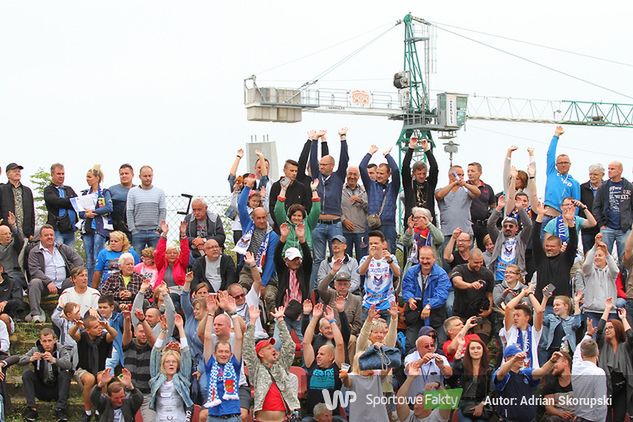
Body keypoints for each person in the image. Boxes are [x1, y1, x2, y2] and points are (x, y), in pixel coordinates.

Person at [243, 305, 300, 422]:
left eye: (273, 347)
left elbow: (289, 346)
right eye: (269, 348)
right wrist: (252, 322)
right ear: (261, 354)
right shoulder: (256, 369)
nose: (274, 349)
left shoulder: (281, 366)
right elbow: (248, 348)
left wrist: (280, 321)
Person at [309, 128, 349, 289]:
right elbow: (312, 161)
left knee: (337, 257)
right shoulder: (316, 177)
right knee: (318, 259)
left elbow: (344, 159)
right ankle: (316, 290)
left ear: (332, 166)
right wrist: (314, 141)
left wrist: (343, 138)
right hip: (318, 224)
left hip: (335, 224)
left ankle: (336, 288)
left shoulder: (338, 176)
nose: (321, 167)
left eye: (324, 165)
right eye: (320, 164)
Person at [27, 224, 84, 323]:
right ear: (40, 237)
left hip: (63, 283)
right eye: (46, 235)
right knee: (34, 282)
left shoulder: (62, 247)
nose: (49, 237)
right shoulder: (34, 252)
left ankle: (75, 313)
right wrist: (48, 282)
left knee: (74, 282)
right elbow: (35, 270)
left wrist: (75, 275)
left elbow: (78, 260)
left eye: (51, 235)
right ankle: (36, 314)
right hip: (44, 285)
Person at [492, 345, 561, 422]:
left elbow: (542, 371)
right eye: (517, 356)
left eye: (522, 356)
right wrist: (514, 360)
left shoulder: (525, 373)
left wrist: (552, 361)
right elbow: (501, 374)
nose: (521, 359)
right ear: (507, 358)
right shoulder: (503, 373)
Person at [202, 296, 244, 421]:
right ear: (214, 354)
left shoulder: (234, 366)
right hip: (214, 416)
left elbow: (239, 337)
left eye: (226, 352)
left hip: (232, 416)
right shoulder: (210, 365)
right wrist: (210, 313)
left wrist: (233, 313)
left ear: (231, 354)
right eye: (220, 351)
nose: (223, 354)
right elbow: (207, 337)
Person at [68, 315, 117, 421]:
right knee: (90, 379)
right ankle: (88, 411)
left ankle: (100, 410)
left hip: (100, 369)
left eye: (99, 326)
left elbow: (114, 334)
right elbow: (71, 333)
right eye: (95, 327)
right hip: (83, 369)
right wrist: (76, 326)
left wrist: (107, 327)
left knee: (102, 378)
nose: (99, 328)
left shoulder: (104, 336)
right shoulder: (83, 336)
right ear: (88, 330)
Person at [401, 246, 450, 350]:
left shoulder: (441, 274)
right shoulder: (411, 272)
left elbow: (441, 295)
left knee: (440, 345)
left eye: (428, 258)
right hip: (415, 316)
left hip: (435, 316)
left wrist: (429, 306)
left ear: (434, 259)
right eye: (422, 258)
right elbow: (406, 289)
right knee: (410, 345)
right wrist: (410, 299)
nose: (425, 261)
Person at [19, 328, 72, 422]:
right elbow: (20, 360)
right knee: (27, 374)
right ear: (40, 341)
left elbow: (69, 364)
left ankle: (61, 409)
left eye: (50, 341)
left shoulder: (61, 349)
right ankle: (32, 409)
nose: (47, 344)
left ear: (55, 340)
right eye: (44, 341)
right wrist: (31, 358)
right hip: (41, 388)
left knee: (65, 374)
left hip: (57, 389)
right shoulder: (35, 349)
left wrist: (55, 360)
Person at [234, 178, 279, 290]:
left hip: (265, 271)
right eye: (258, 218)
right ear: (253, 218)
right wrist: (247, 187)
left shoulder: (273, 236)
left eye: (264, 217)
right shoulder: (248, 225)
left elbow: (271, 259)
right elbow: (241, 206)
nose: (262, 220)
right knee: (242, 291)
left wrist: (262, 283)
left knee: (269, 297)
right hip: (247, 269)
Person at [532, 201, 578, 305]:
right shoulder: (541, 258)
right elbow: (535, 239)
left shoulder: (566, 259)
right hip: (541, 305)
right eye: (547, 246)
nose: (549, 249)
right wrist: (540, 216)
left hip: (561, 305)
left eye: (552, 247)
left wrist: (571, 223)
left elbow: (573, 243)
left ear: (560, 247)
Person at [149, 314, 193, 420]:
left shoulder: (183, 378)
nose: (171, 364)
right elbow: (155, 353)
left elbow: (186, 354)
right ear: (163, 364)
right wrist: (163, 331)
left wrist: (181, 328)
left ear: (178, 364)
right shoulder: (157, 378)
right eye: (168, 362)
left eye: (174, 362)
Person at [303, 304, 345, 416]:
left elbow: (340, 344)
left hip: (333, 416)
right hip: (311, 416)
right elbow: (306, 343)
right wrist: (315, 318)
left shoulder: (336, 367)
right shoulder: (312, 365)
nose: (318, 356)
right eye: (318, 353)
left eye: (322, 354)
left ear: (331, 357)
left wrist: (332, 321)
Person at [595, 299, 633, 421]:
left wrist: (623, 318)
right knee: (605, 419)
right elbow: (599, 330)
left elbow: (631, 337)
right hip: (605, 387)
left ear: (617, 329)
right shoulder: (602, 345)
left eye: (610, 328)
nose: (607, 330)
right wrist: (607, 309)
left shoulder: (625, 346)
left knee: (618, 419)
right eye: (607, 328)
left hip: (621, 388)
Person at [359, 144, 401, 252]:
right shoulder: (371, 185)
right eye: (377, 173)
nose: (378, 176)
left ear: (388, 175)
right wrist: (370, 153)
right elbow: (362, 167)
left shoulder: (393, 187)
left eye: (381, 173)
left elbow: (396, 170)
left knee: (389, 253)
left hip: (388, 226)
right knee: (371, 254)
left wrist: (387, 155)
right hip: (373, 226)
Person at [273, 222, 312, 336]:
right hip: (284, 314)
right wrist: (283, 238)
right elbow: (276, 256)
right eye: (293, 259)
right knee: (278, 344)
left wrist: (302, 239)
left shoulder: (304, 271)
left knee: (306, 343)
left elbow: (308, 259)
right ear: (286, 261)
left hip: (302, 314)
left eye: (298, 259)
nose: (296, 261)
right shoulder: (282, 271)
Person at [575, 233, 620, 327]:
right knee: (592, 338)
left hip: (609, 312)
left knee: (609, 340)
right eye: (595, 256)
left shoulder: (610, 272)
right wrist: (595, 246)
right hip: (591, 311)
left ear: (606, 258)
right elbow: (586, 265)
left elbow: (615, 270)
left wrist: (607, 253)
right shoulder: (589, 272)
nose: (597, 257)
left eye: (600, 255)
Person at [449, 249, 494, 343]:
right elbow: (457, 282)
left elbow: (489, 293)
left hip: (479, 316)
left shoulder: (487, 274)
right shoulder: (460, 269)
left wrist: (489, 310)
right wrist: (470, 285)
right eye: (476, 262)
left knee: (479, 344)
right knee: (460, 344)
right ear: (468, 259)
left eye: (481, 262)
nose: (478, 265)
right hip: (461, 315)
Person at [78, 165, 114, 283]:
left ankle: (100, 284)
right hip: (87, 228)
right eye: (86, 177)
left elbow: (109, 207)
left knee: (97, 256)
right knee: (89, 258)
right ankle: (88, 284)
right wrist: (86, 214)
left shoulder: (104, 192)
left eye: (90, 177)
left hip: (100, 228)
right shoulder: (84, 194)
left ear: (97, 178)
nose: (87, 179)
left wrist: (95, 211)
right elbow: (80, 212)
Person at [542, 126, 581, 232]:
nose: (563, 165)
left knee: (563, 246)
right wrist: (556, 136)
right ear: (556, 164)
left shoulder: (574, 183)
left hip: (563, 218)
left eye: (565, 162)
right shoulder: (552, 172)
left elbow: (576, 205)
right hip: (548, 215)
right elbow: (550, 154)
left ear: (570, 164)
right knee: (544, 246)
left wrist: (573, 222)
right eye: (560, 163)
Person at [593, 160, 633, 262]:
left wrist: (630, 224)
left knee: (625, 259)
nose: (609, 171)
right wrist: (601, 224)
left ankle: (623, 278)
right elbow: (596, 207)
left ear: (620, 171)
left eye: (612, 169)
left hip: (624, 229)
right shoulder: (603, 186)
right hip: (607, 227)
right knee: (604, 257)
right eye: (609, 169)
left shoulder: (629, 186)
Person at [122, 301, 155, 421]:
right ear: (135, 333)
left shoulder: (153, 347)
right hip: (128, 392)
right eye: (140, 332)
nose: (143, 335)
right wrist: (127, 320)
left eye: (145, 332)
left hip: (147, 394)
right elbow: (126, 334)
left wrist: (142, 321)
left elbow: (151, 338)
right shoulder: (129, 345)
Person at [486, 196, 532, 281]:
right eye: (505, 226)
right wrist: (499, 207)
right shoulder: (498, 238)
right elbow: (490, 224)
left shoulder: (521, 239)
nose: (508, 228)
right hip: (498, 278)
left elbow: (528, 226)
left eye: (511, 226)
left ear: (516, 228)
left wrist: (520, 209)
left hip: (516, 277)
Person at [358, 230, 401, 323]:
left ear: (383, 244)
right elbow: (361, 272)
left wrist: (389, 260)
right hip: (369, 304)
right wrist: (370, 257)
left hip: (387, 303)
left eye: (376, 243)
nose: (373, 245)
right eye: (371, 243)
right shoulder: (365, 259)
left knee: (388, 334)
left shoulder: (391, 257)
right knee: (366, 334)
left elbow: (397, 273)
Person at [448, 337, 493, 422]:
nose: (475, 351)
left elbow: (492, 391)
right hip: (464, 405)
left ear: (483, 350)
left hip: (482, 405)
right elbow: (453, 375)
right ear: (468, 351)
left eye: (478, 348)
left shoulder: (489, 369)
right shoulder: (462, 366)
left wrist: (482, 405)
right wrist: (460, 347)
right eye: (472, 348)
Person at [435, 165, 481, 243]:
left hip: (465, 233)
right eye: (459, 175)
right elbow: (439, 195)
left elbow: (477, 192)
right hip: (447, 233)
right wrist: (454, 183)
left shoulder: (466, 191)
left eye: (463, 175)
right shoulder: (441, 190)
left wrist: (465, 184)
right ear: (451, 176)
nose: (461, 177)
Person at [501, 286, 544, 368]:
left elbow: (539, 311)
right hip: (511, 372)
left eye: (518, 315)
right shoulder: (511, 330)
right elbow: (508, 308)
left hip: (530, 372)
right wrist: (523, 293)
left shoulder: (534, 332)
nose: (515, 318)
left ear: (527, 317)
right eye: (514, 316)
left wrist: (530, 293)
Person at [274, 179, 320, 255]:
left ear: (303, 217)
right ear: (290, 216)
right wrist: (283, 189)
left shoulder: (308, 224)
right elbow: (278, 209)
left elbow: (316, 210)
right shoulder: (284, 224)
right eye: (294, 215)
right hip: (287, 257)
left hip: (304, 257)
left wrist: (314, 190)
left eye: (299, 216)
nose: (296, 218)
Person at [126, 165, 166, 252]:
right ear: (140, 177)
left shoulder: (159, 192)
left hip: (154, 232)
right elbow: (129, 212)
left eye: (150, 176)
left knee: (156, 259)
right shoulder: (132, 192)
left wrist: (159, 230)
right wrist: (133, 230)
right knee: (137, 259)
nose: (147, 178)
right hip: (138, 232)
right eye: (145, 176)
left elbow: (162, 212)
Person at [572, 327, 608, 422]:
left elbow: (577, 350)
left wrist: (588, 334)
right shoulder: (598, 373)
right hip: (592, 419)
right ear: (597, 353)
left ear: (582, 354)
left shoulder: (576, 367)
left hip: (578, 416)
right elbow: (600, 402)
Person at [402, 135, 439, 226]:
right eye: (419, 174)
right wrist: (411, 148)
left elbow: (434, 167)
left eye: (424, 173)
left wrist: (427, 149)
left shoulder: (430, 183)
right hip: (412, 223)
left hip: (428, 223)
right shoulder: (409, 184)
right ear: (414, 173)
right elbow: (405, 167)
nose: (422, 176)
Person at [269, 159, 312, 230]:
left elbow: (307, 207)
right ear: (284, 170)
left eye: (296, 171)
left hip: (298, 227)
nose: (294, 173)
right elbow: (272, 207)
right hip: (280, 228)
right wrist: (280, 223)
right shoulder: (276, 186)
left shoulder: (301, 187)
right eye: (292, 171)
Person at [154, 221, 190, 306]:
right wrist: (164, 234)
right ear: (165, 255)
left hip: (178, 292)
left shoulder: (181, 264)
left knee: (174, 301)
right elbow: (159, 252)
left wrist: (183, 234)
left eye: (175, 253)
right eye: (169, 253)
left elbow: (185, 251)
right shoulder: (161, 265)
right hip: (163, 291)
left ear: (178, 255)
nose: (172, 255)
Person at [539, 292, 582, 363]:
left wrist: (576, 302)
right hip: (552, 352)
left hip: (567, 352)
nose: (555, 307)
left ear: (566, 306)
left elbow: (577, 323)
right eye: (554, 305)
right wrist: (545, 298)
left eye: (558, 305)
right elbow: (540, 316)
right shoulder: (551, 318)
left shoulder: (571, 320)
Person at [44, 163, 78, 247]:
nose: (61, 176)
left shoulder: (69, 189)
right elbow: (56, 202)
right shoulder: (48, 190)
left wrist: (67, 202)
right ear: (52, 174)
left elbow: (78, 202)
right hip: (57, 230)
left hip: (70, 230)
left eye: (63, 174)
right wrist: (71, 202)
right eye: (58, 174)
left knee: (70, 256)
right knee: (59, 255)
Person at [0, 162, 35, 239]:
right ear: (8, 175)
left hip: (25, 234)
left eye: (19, 171)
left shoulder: (27, 191)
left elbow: (32, 213)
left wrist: (31, 232)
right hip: (7, 234)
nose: (17, 173)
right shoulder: (2, 189)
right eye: (14, 171)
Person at [341, 165, 368, 258]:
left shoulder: (365, 191)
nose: (352, 177)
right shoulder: (340, 190)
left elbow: (370, 209)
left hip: (361, 231)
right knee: (345, 259)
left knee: (362, 259)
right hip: (344, 231)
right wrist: (343, 220)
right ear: (346, 175)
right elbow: (335, 208)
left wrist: (360, 200)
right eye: (350, 174)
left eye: (355, 175)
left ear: (358, 177)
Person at [467, 162, 496, 250]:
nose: (469, 173)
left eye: (472, 171)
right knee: (467, 250)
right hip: (468, 224)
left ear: (480, 173)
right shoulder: (464, 186)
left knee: (485, 250)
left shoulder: (487, 188)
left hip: (483, 225)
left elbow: (493, 206)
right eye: (468, 171)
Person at [540, 351, 575, 422]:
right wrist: (561, 413)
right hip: (558, 417)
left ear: (565, 362)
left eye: (556, 362)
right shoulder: (550, 385)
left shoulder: (578, 382)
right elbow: (549, 407)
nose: (553, 366)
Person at [579, 163, 604, 252]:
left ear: (602, 175)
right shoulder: (582, 188)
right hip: (587, 227)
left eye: (595, 174)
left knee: (602, 253)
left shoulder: (607, 188)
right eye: (591, 174)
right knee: (588, 254)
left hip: (603, 227)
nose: (592, 176)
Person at [0, 211, 27, 290]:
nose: (8, 236)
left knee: (13, 281)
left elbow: (19, 240)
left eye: (9, 233)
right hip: (1, 276)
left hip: (15, 275)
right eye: (5, 234)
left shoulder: (14, 245)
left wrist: (13, 226)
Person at [108, 163, 135, 240]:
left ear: (132, 175)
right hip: (115, 228)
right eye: (121, 174)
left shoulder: (138, 190)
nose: (124, 176)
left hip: (133, 228)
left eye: (126, 173)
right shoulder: (112, 190)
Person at [0, 262, 28, 328]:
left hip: (9, 314)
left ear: (1, 269)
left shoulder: (12, 282)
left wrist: (6, 302)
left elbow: (18, 300)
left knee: (4, 317)